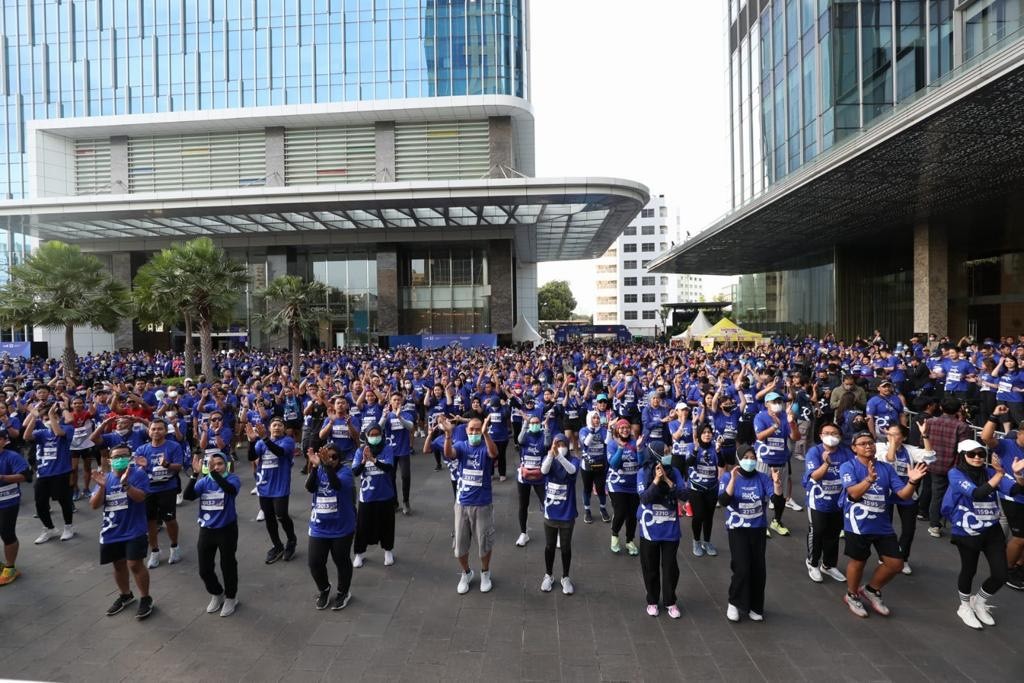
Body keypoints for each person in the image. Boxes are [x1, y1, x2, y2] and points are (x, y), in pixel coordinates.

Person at [839, 432, 927, 618]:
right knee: (858, 561)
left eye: (870, 443)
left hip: (882, 524)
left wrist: (912, 481)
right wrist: (869, 480)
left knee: (896, 564)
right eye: (863, 443)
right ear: (854, 448)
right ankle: (852, 595)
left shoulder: (886, 468)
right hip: (857, 523)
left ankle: (871, 590)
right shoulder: (848, 466)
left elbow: (904, 495)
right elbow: (853, 493)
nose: (868, 446)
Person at [940, 439, 1024, 629]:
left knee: (1001, 574)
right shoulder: (955, 473)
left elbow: (1015, 490)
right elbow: (977, 493)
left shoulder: (990, 472)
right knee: (969, 570)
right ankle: (964, 607)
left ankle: (978, 602)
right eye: (972, 454)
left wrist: (1018, 475)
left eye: (981, 454)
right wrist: (1000, 473)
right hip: (967, 530)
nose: (977, 457)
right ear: (962, 456)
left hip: (991, 529)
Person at [719, 447, 783, 622]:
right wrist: (733, 480)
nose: (750, 460)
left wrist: (777, 484)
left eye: (752, 457)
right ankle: (734, 602)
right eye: (746, 457)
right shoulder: (728, 477)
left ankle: (755, 606)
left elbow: (777, 501)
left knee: (758, 568)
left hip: (757, 528)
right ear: (739, 459)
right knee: (742, 567)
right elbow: (724, 501)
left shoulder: (763, 478)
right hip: (737, 528)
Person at [90, 444, 153, 619]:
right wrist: (101, 487)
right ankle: (125, 595)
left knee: (134, 564)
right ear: (110, 460)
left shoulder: (138, 475)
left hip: (134, 530)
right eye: (116, 457)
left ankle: (146, 598)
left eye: (124, 456)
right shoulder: (105, 478)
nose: (120, 459)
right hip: (112, 531)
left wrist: (126, 485)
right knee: (118, 565)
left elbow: (141, 498)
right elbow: (94, 505)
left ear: (130, 458)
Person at [441, 414, 498, 594]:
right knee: (459, 546)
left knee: (484, 543)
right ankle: (466, 573)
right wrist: (448, 435)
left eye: (477, 430)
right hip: (462, 504)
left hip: (482, 504)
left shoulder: (485, 445)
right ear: (466, 431)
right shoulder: (461, 446)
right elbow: (449, 454)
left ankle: (485, 572)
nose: (474, 432)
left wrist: (486, 434)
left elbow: (494, 454)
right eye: (471, 429)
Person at [183, 451, 241, 618]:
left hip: (226, 530)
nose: (216, 467)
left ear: (226, 465)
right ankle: (217, 593)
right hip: (207, 530)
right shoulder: (204, 482)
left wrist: (213, 474)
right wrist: (195, 474)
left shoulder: (232, 479)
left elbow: (229, 490)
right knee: (204, 569)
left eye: (220, 464)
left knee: (228, 565)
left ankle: (231, 597)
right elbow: (188, 496)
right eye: (212, 465)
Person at [636, 440, 687, 618]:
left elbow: (684, 495)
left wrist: (667, 480)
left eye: (668, 451)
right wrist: (657, 481)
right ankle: (652, 600)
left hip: (670, 529)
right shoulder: (643, 473)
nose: (668, 454)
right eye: (664, 452)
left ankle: (670, 601)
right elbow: (644, 498)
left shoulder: (675, 472)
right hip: (649, 529)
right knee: (650, 567)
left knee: (671, 568)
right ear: (656, 454)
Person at [306, 444, 357, 610]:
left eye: (334, 457)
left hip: (341, 527)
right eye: (327, 456)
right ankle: (324, 589)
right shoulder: (320, 469)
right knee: (314, 562)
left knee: (341, 560)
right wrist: (315, 467)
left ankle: (343, 592)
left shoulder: (346, 472)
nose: (330, 459)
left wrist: (326, 466)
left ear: (339, 458)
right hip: (319, 526)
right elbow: (309, 487)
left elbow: (336, 485)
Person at [980, 404, 1024, 590]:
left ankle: (1018, 566)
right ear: (1020, 433)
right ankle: (1005, 570)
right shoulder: (1007, 445)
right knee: (1020, 538)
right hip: (1013, 498)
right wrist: (994, 415)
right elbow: (986, 437)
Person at [802, 422, 851, 583]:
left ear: (840, 436)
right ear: (821, 436)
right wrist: (826, 463)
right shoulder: (814, 452)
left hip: (838, 501)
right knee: (817, 531)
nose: (831, 436)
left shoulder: (846, 453)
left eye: (834, 433)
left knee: (834, 533)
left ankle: (828, 565)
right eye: (827, 433)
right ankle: (812, 563)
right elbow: (815, 476)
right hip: (818, 501)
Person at [135, 419, 186, 569]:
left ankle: (174, 547)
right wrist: (141, 468)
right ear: (149, 431)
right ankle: (155, 551)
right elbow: (137, 471)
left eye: (160, 429)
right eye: (153, 429)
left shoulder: (174, 446)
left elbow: (179, 467)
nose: (156, 431)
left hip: (167, 489)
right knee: (150, 522)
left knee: (169, 519)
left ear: (165, 431)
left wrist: (167, 465)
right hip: (148, 490)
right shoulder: (142, 449)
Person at [24, 401, 75, 543]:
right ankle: (49, 528)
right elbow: (26, 437)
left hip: (61, 472)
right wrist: (34, 417)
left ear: (59, 418)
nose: (48, 420)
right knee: (40, 503)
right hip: (43, 474)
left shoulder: (67, 428)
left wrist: (52, 415)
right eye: (45, 418)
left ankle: (68, 527)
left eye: (52, 417)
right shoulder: (41, 433)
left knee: (64, 501)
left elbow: (58, 432)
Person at [248, 417, 298, 564]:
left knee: (281, 515)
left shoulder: (288, 441)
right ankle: (277, 546)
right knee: (269, 518)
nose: (277, 427)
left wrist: (264, 438)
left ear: (284, 429)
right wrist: (252, 442)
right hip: (264, 487)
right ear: (269, 428)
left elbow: (280, 452)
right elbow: (252, 456)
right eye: (274, 425)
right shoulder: (261, 443)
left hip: (280, 487)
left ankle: (291, 540)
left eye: (280, 425)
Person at [921, 398, 971, 538]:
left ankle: (934, 525)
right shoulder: (962, 426)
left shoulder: (930, 422)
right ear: (958, 409)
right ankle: (956, 524)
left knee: (936, 496)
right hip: (955, 467)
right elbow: (964, 449)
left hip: (934, 464)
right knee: (956, 496)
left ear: (941, 408)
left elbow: (923, 441)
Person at [753, 391, 800, 536]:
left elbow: (795, 437)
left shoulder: (786, 416)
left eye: (779, 401)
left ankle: (777, 521)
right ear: (767, 404)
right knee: (761, 494)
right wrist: (775, 426)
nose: (778, 404)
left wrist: (792, 423)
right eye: (774, 402)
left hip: (781, 461)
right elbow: (759, 436)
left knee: (780, 495)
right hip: (764, 461)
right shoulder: (760, 417)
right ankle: (760, 523)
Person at [352, 425, 397, 568]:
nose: (374, 437)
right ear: (366, 436)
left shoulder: (387, 449)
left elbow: (389, 468)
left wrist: (373, 459)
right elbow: (355, 472)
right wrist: (364, 461)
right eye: (371, 434)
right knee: (362, 526)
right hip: (367, 496)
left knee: (387, 525)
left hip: (385, 495)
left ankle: (388, 551)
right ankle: (359, 553)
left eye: (377, 434)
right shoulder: (360, 451)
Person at [539, 434, 579, 595]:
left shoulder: (574, 460)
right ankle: (548, 575)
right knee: (549, 546)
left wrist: (559, 457)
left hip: (567, 513)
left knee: (565, 547)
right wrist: (551, 454)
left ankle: (565, 577)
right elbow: (543, 470)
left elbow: (572, 470)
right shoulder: (548, 458)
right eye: (557, 444)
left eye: (563, 444)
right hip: (550, 511)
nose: (560, 447)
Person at [882, 424, 919, 575]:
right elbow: (889, 460)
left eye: (895, 434)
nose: (891, 437)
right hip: (887, 493)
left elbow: (930, 456)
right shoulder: (881, 447)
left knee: (909, 529)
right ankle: (886, 555)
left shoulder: (909, 450)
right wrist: (892, 442)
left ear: (903, 437)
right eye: (889, 434)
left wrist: (925, 436)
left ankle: (903, 558)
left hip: (907, 492)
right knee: (885, 527)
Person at [0, 432, 30, 585]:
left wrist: (3, 477)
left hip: (8, 501)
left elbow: (26, 476)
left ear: (3, 441)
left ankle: (10, 568)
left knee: (7, 533)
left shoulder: (12, 456)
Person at [607, 418, 640, 556]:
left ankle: (629, 540)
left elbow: (642, 462)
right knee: (620, 512)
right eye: (622, 428)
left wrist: (640, 449)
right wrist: (620, 448)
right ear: (617, 430)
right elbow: (614, 464)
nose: (625, 430)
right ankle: (615, 535)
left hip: (634, 485)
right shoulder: (612, 443)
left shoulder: (635, 442)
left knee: (632, 515)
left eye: (627, 427)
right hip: (617, 484)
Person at [686, 423, 720, 557]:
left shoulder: (715, 447)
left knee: (709, 516)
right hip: (696, 488)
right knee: (699, 515)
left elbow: (722, 464)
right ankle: (696, 541)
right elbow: (688, 463)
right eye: (704, 432)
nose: (707, 434)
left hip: (712, 487)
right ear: (699, 434)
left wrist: (719, 451)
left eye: (709, 432)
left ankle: (707, 542)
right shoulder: (692, 446)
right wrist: (695, 450)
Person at [514, 413, 547, 547]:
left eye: (537, 423)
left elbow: (548, 444)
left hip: (540, 476)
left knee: (546, 504)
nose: (534, 425)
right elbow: (520, 440)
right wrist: (525, 423)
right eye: (532, 423)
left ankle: (554, 533)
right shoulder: (525, 435)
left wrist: (547, 428)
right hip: (524, 477)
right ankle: (523, 533)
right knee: (523, 505)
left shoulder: (544, 435)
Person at [578, 411, 610, 524]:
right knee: (587, 489)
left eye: (598, 418)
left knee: (601, 489)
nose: (596, 420)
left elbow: (607, 442)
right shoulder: (583, 430)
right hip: (587, 466)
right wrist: (592, 431)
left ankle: (603, 509)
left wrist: (609, 430)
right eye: (594, 418)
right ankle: (587, 511)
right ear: (589, 419)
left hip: (600, 464)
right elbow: (585, 444)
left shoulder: (603, 430)